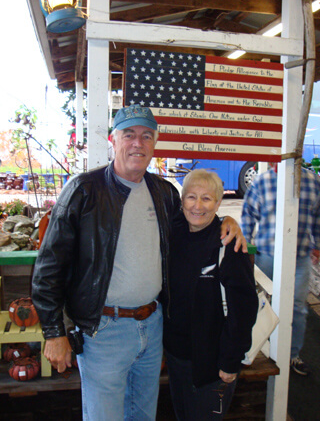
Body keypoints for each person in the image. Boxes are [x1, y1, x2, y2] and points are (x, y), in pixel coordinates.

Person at [32, 104, 246, 421]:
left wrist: (227, 221)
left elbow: (195, 223)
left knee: (143, 415)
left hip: (153, 324)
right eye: (129, 134)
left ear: (154, 143)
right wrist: (54, 333)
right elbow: (48, 271)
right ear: (112, 139)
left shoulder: (164, 193)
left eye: (146, 136)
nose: (138, 143)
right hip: (102, 331)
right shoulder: (82, 191)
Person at [163, 169, 258, 420]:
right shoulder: (174, 233)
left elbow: (244, 308)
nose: (197, 205)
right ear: (182, 201)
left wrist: (230, 361)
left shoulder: (229, 245)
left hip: (213, 364)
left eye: (207, 198)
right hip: (176, 356)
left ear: (218, 202)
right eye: (191, 197)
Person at [241, 164, 320, 376]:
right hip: (266, 256)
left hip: (300, 257)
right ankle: (259, 349)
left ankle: (292, 355)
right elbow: (248, 215)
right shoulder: (261, 181)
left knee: (297, 307)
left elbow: (318, 215)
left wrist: (318, 245)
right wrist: (247, 247)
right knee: (260, 304)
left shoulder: (313, 182)